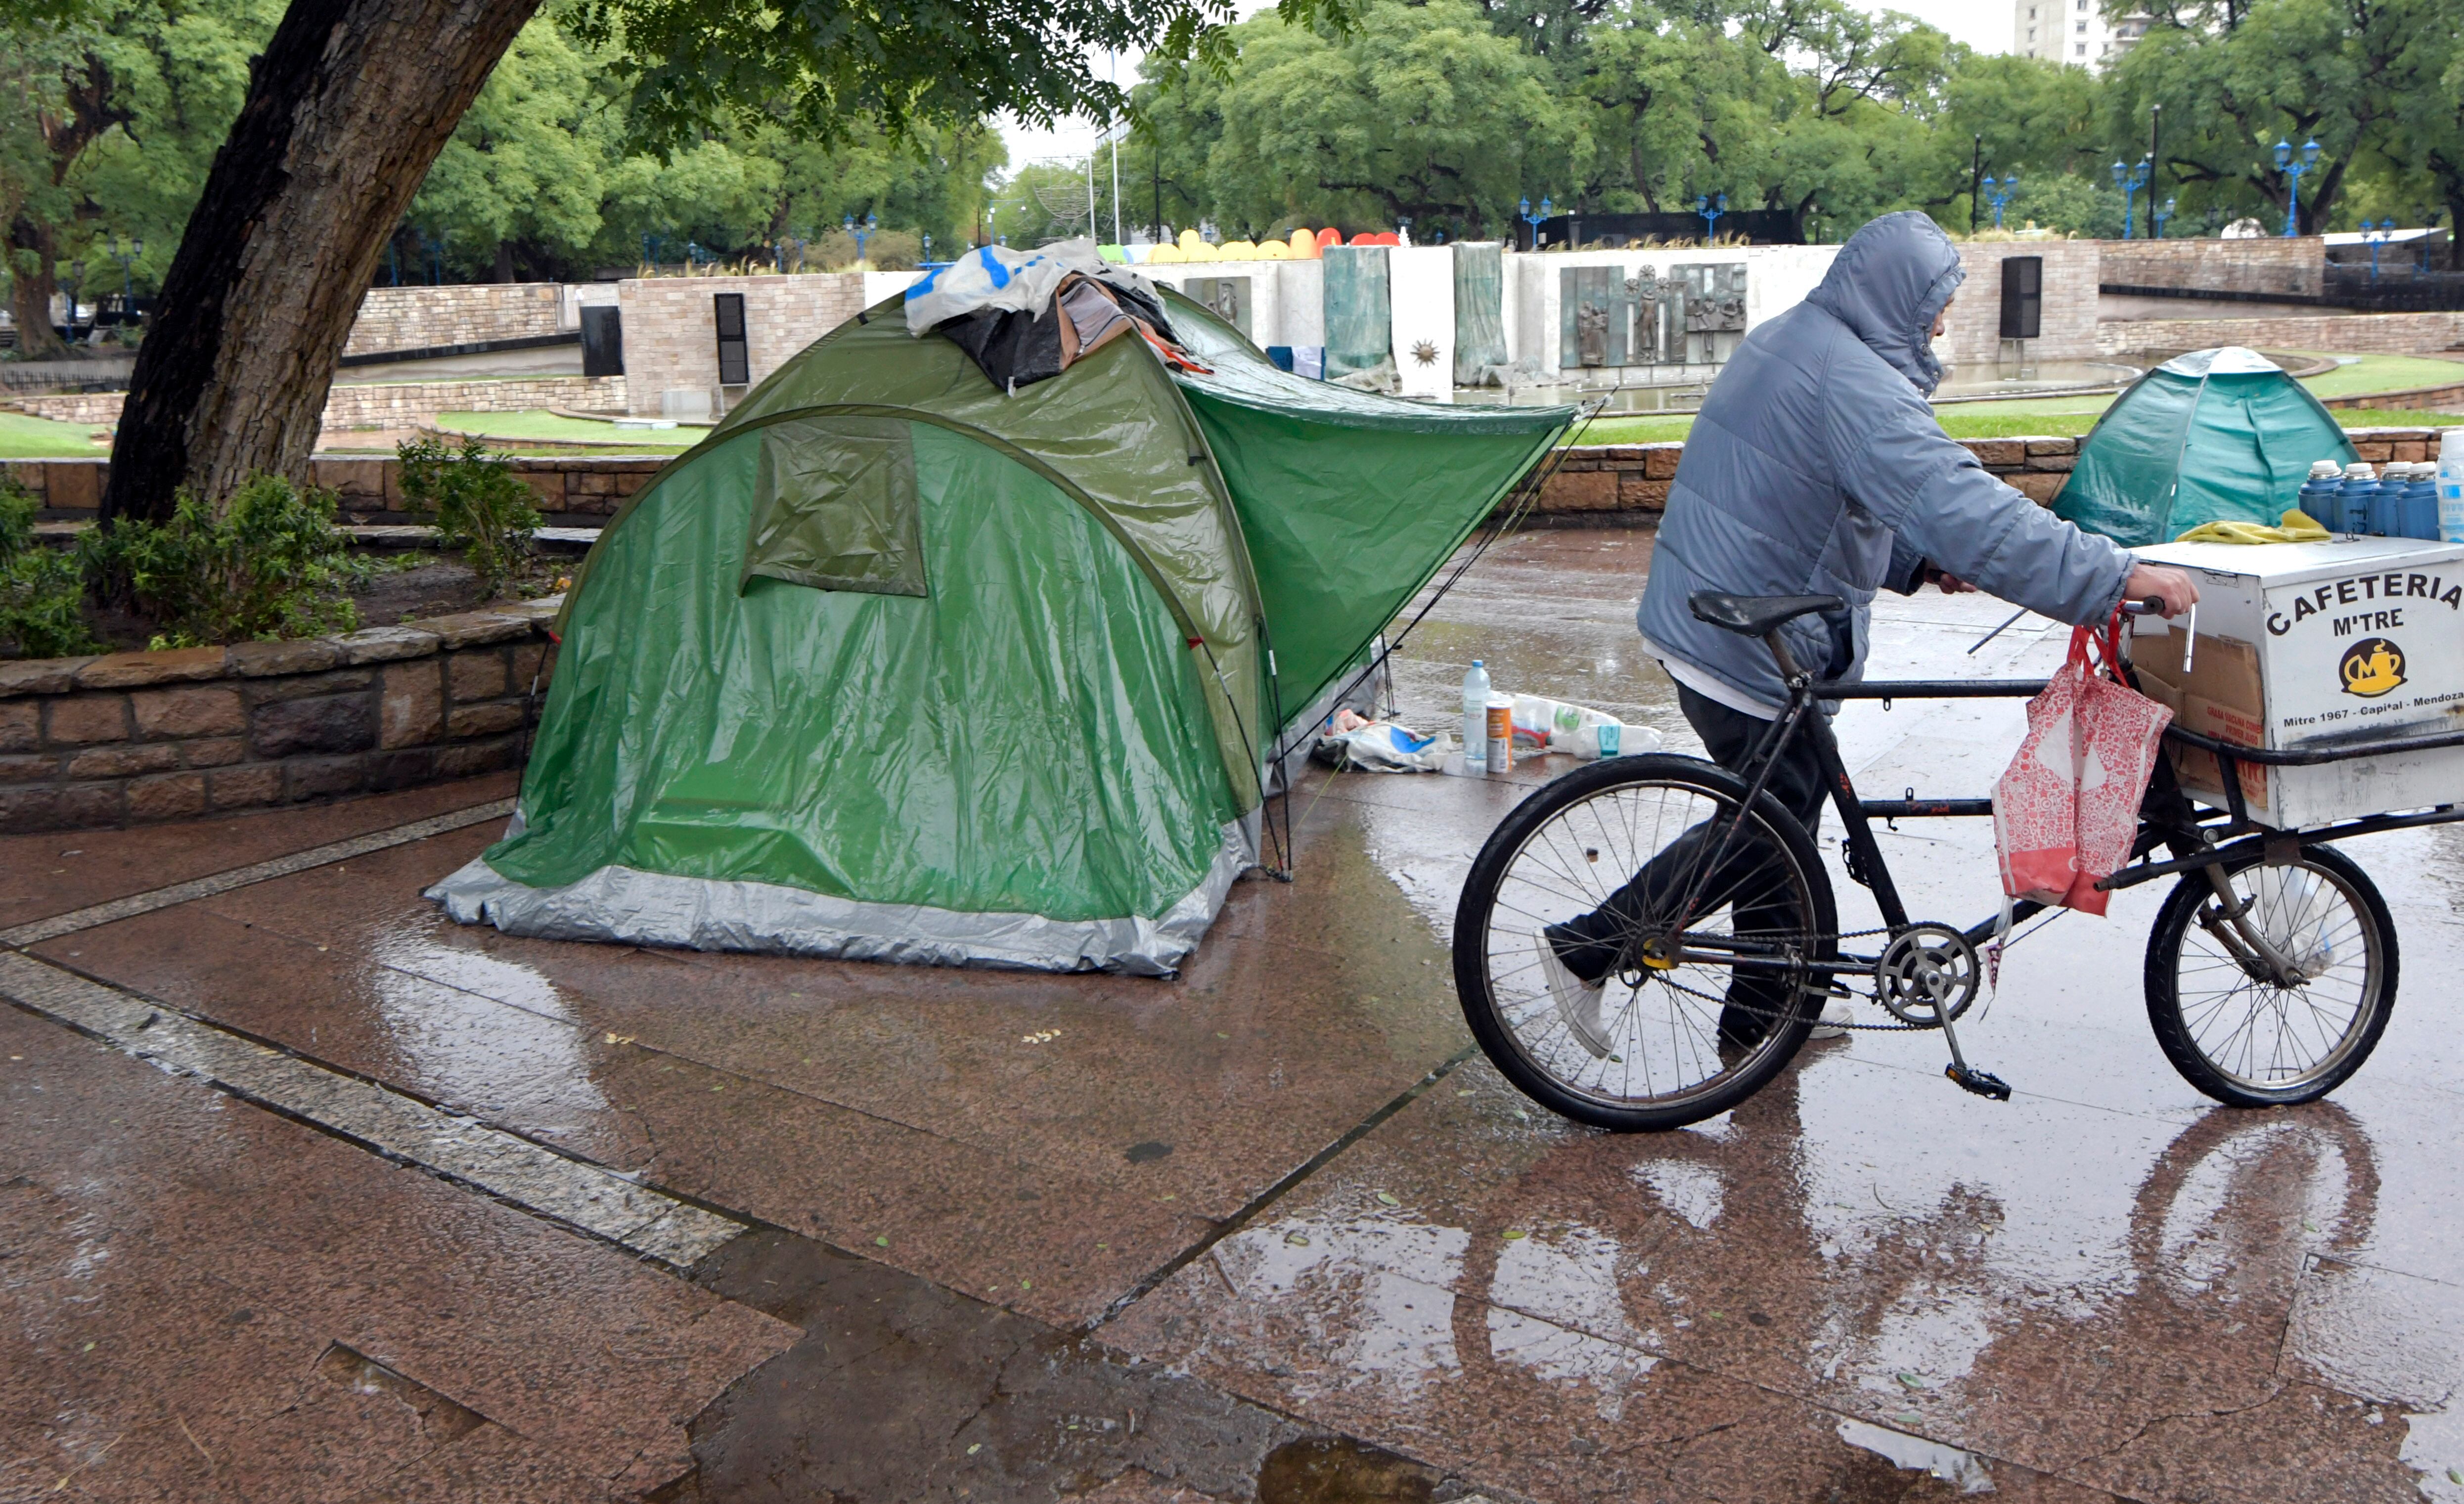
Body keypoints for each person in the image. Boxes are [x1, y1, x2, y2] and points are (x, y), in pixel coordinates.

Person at [1537, 211, 2197, 1058]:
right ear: (1895, 297)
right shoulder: (1853, 380)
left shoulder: (1803, 338)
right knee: (1769, 825)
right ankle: (1590, 946)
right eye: (1936, 305)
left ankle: (1768, 1014)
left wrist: (1917, 562)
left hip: (1718, 609)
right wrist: (2113, 578)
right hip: (1744, 639)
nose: (1943, 323)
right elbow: (1962, 501)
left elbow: (1809, 493)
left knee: (1784, 821)